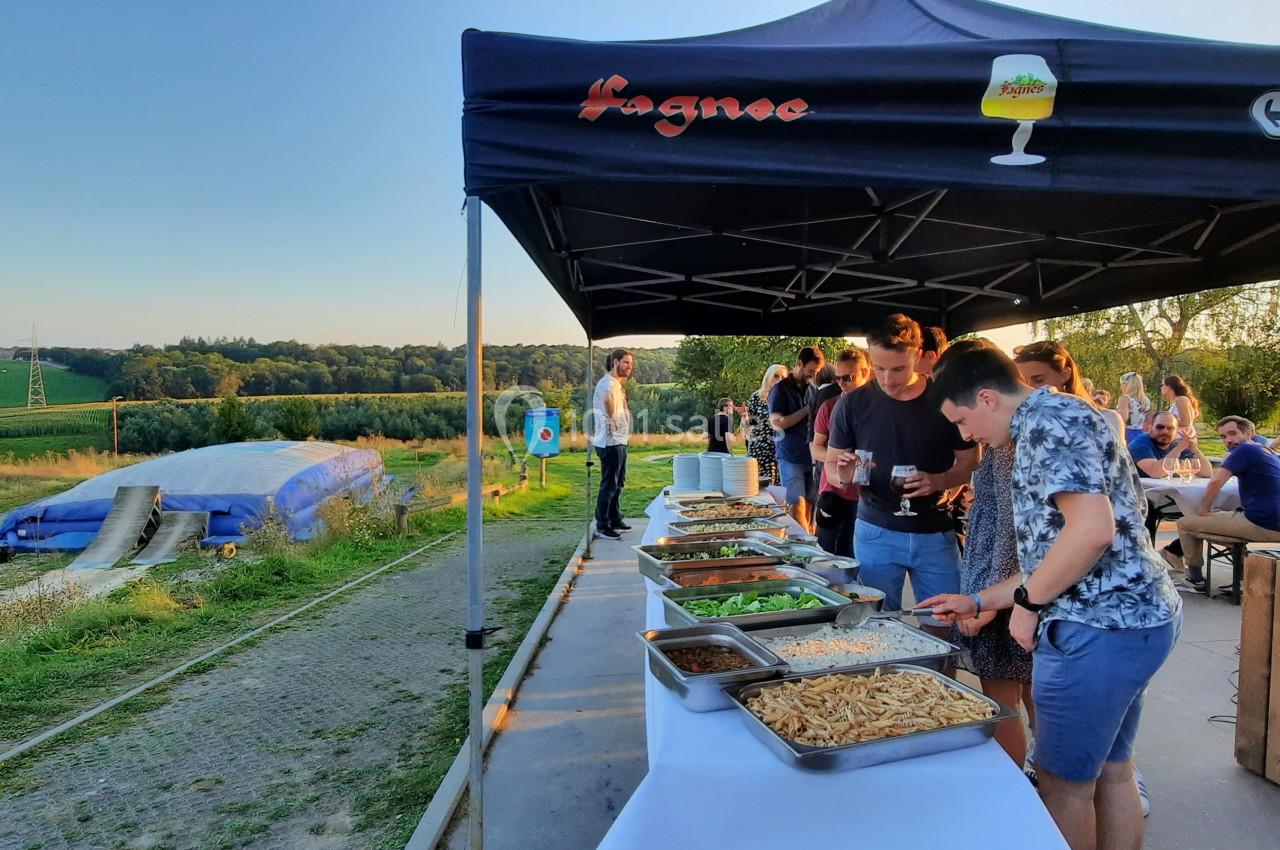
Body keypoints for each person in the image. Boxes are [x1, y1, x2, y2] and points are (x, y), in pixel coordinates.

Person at [921, 346, 1181, 850]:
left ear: (987, 398)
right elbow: (1054, 552)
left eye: (962, 420)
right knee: (1113, 770)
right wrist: (979, 601)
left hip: (1097, 628)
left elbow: (1090, 532)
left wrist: (1028, 605)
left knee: (1063, 784)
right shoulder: (1064, 412)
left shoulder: (1043, 425)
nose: (965, 435)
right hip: (1136, 621)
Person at [825, 314, 978, 638]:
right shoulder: (852, 404)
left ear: (919, 355)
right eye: (879, 368)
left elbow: (969, 461)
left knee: (942, 627)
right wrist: (843, 473)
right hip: (875, 530)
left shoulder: (944, 399)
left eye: (898, 369)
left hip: (935, 531)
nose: (888, 379)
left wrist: (938, 481)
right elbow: (832, 467)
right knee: (876, 628)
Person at [933, 339, 1034, 767]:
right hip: (1002, 588)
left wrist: (988, 603)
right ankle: (1040, 775)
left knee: (1006, 698)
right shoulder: (1003, 443)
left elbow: (1017, 533)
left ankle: (1024, 783)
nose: (965, 433)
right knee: (1025, 692)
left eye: (961, 417)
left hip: (1008, 593)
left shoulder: (1014, 444)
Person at [1164, 415, 1280, 592]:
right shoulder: (1268, 452)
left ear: (1249, 433)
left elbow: (1215, 482)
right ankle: (1241, 571)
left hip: (1264, 522)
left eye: (1232, 434)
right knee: (1219, 515)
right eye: (1223, 437)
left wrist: (1203, 509)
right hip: (1272, 519)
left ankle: (1194, 579)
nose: (1229, 440)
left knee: (1186, 523)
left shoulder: (1244, 450)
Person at [811, 348, 870, 557]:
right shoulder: (829, 406)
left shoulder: (879, 407)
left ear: (866, 372)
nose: (842, 383)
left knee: (855, 557)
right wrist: (837, 459)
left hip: (867, 497)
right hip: (833, 492)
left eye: (848, 377)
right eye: (838, 378)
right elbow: (815, 447)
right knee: (825, 556)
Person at [1013, 340, 1126, 439]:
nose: (1031, 389)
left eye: (1038, 380)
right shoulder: (1016, 423)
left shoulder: (1105, 419)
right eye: (1023, 383)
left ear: (1065, 375)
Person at [771, 346, 825, 530]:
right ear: (799, 363)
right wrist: (806, 411)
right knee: (797, 504)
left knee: (811, 506)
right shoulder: (780, 389)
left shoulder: (815, 389)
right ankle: (804, 547)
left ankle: (808, 540)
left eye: (816, 372)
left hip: (812, 456)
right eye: (810, 371)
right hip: (790, 456)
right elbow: (777, 423)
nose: (813, 375)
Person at [591, 348, 633, 540]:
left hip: (619, 441)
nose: (629, 367)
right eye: (626, 363)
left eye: (631, 363)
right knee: (609, 484)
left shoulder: (617, 384)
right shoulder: (607, 382)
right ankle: (603, 524)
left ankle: (615, 517)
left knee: (619, 482)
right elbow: (607, 400)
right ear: (615, 362)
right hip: (609, 442)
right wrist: (613, 418)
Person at [1128, 411, 1211, 481]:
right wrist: (1180, 447)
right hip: (1143, 493)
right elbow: (1155, 472)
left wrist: (1194, 448)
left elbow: (1207, 472)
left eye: (1170, 428)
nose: (1165, 431)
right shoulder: (1140, 443)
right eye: (1160, 427)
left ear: (1176, 431)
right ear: (1150, 428)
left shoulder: (1176, 445)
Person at [746, 365, 786, 483]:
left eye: (783, 377)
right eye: (776, 376)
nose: (779, 380)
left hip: (778, 448)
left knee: (777, 488)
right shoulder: (756, 397)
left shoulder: (787, 398)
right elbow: (751, 424)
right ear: (768, 377)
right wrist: (745, 420)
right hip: (759, 448)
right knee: (755, 486)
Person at [1117, 372, 1152, 443]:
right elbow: (1149, 420)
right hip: (1141, 433)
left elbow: (1123, 418)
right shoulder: (1146, 400)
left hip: (1126, 433)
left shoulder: (1125, 399)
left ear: (1126, 385)